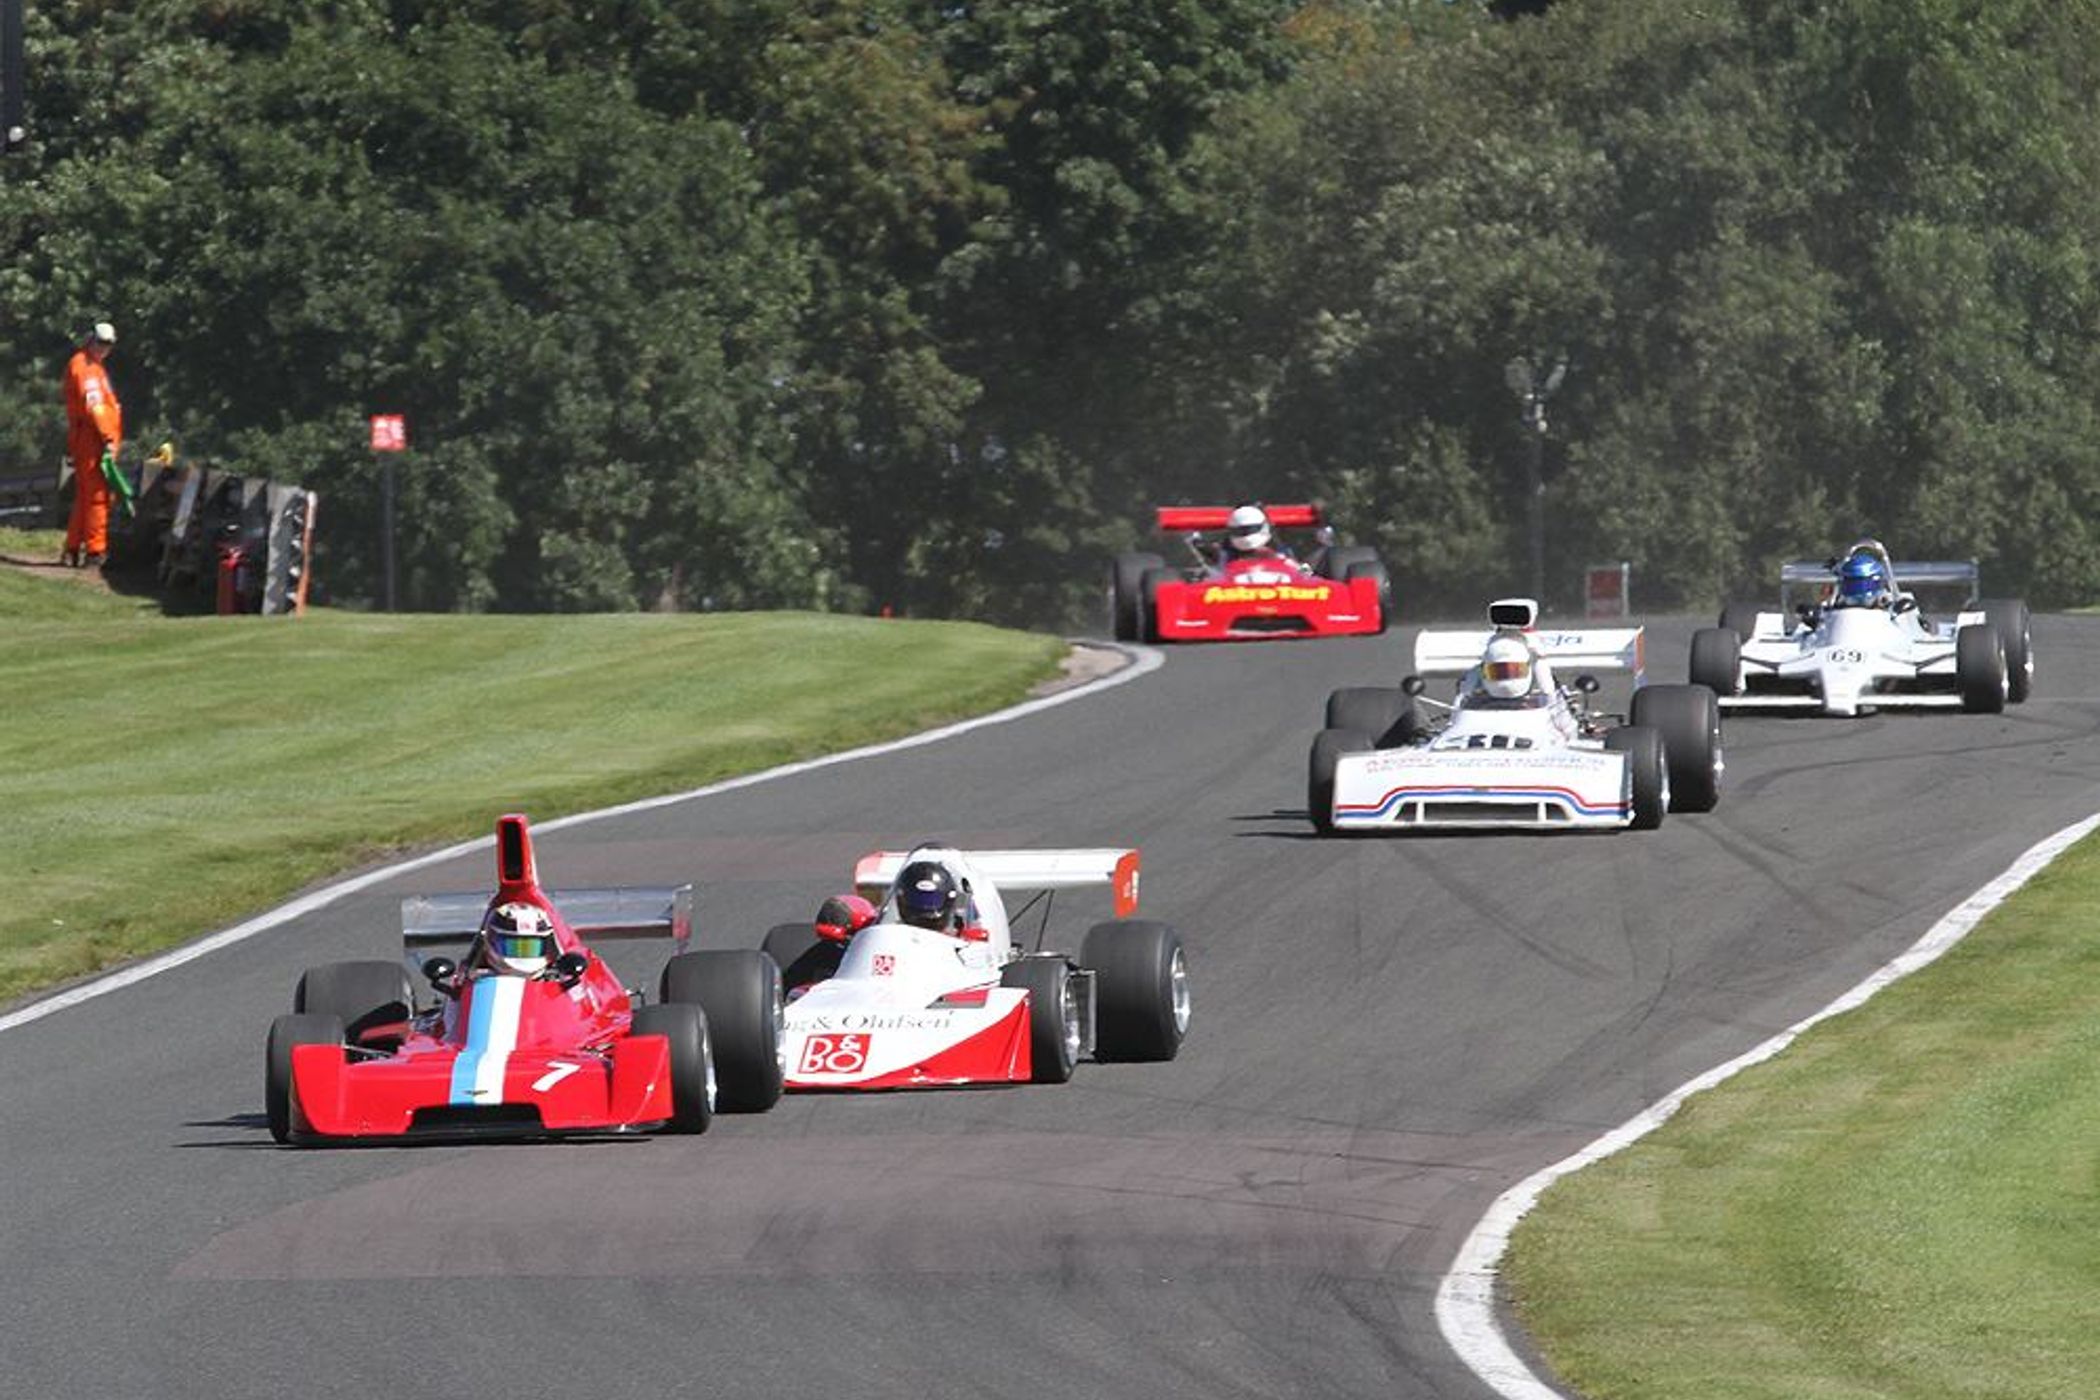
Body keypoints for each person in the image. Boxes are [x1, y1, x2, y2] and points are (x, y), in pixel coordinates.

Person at [61, 322, 123, 568]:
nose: (104, 348)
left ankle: (72, 548)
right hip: (93, 439)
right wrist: (108, 438)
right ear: (90, 340)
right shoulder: (85, 368)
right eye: (101, 342)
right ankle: (95, 551)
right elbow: (95, 407)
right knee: (98, 497)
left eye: (109, 344)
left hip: (90, 438)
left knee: (85, 497)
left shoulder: (93, 366)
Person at [472, 902, 556, 976]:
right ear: (492, 941)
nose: (522, 956)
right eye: (513, 947)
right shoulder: (475, 979)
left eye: (532, 947)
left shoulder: (557, 979)